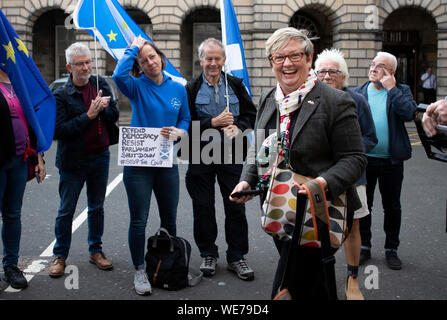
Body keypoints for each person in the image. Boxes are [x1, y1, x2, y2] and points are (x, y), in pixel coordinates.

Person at [231, 27, 366, 299]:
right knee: (310, 283)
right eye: (279, 58)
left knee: (291, 284)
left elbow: (355, 158)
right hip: (279, 210)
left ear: (309, 58)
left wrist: (322, 183)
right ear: (271, 62)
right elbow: (257, 147)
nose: (287, 64)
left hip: (319, 209)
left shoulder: (336, 101)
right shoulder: (269, 98)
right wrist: (246, 179)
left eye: (294, 55)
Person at [113, 36, 191, 295]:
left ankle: (169, 263)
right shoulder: (135, 86)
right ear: (139, 66)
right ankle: (139, 270)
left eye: (152, 56)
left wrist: (180, 132)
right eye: (143, 60)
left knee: (169, 218)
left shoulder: (178, 87)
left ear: (161, 57)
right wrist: (134, 47)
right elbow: (118, 75)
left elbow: (185, 118)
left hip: (166, 163)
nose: (149, 62)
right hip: (138, 166)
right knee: (139, 220)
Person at [184, 38, 256, 281]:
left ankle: (237, 256)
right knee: (202, 207)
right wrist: (211, 123)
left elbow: (250, 115)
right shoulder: (191, 88)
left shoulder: (235, 85)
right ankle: (208, 253)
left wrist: (240, 127)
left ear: (224, 60)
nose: (213, 63)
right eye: (208, 58)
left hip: (231, 154)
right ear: (201, 60)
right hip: (199, 154)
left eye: (217, 58)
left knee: (235, 205)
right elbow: (184, 124)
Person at [49, 43, 119, 278]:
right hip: (73, 160)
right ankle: (59, 255)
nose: (86, 67)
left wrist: (104, 109)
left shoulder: (101, 83)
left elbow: (114, 115)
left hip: (100, 156)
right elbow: (59, 131)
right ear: (69, 67)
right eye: (80, 64)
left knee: (96, 208)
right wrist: (89, 115)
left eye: (88, 62)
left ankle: (95, 251)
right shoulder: (61, 94)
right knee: (66, 210)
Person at [315, 48, 377, 300]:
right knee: (316, 229)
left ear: (344, 76)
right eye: (322, 71)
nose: (327, 76)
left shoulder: (357, 101)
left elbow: (370, 138)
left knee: (352, 228)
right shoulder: (310, 99)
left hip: (351, 179)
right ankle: (316, 279)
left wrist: (345, 155)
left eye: (333, 71)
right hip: (317, 178)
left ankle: (352, 280)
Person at [353, 52, 417, 270]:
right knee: (364, 205)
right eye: (372, 64)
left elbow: (409, 113)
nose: (373, 69)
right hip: (365, 160)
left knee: (392, 206)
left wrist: (392, 88)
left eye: (380, 66)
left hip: (391, 161)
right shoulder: (358, 93)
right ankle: (364, 246)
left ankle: (391, 249)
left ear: (392, 73)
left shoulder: (402, 91)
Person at [0, 69, 46, 289]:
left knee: (12, 215)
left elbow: (30, 122)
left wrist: (39, 156)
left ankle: (10, 266)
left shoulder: (17, 82)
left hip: (20, 160)